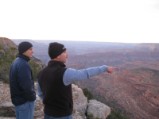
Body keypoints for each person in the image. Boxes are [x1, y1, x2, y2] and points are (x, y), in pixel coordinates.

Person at [37, 42, 116, 119]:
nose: (67, 55)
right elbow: (85, 73)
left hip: (48, 113)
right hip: (62, 115)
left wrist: (50, 103)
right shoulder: (64, 73)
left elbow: (40, 94)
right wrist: (104, 68)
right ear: (58, 56)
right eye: (64, 52)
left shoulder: (41, 73)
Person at [9, 41, 36, 119]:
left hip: (18, 102)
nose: (32, 51)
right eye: (30, 49)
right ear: (24, 50)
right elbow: (26, 86)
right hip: (25, 102)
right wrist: (32, 97)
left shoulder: (16, 61)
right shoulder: (23, 64)